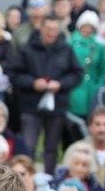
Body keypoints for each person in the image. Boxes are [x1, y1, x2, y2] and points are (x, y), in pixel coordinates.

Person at [10, 15, 83, 174]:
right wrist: (33, 83)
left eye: (55, 29)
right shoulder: (27, 49)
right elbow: (14, 74)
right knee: (28, 145)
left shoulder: (66, 49)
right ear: (41, 28)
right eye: (48, 29)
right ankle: (25, 178)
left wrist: (61, 84)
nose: (52, 33)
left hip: (56, 105)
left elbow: (77, 74)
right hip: (31, 105)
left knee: (51, 146)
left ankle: (49, 179)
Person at [68, 12, 105, 121]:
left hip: (92, 88)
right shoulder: (70, 42)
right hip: (73, 87)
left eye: (90, 27)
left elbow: (104, 67)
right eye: (84, 26)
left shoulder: (99, 45)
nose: (87, 29)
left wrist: (99, 85)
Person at [67, 107, 105, 185]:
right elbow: (65, 180)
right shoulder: (75, 150)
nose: (101, 129)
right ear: (90, 127)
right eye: (97, 124)